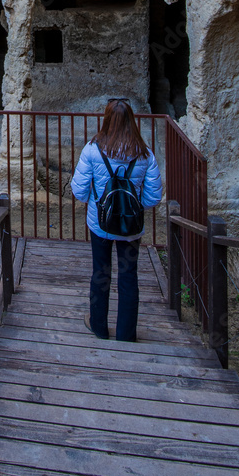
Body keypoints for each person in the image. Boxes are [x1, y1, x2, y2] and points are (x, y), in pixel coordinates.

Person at [71, 98, 163, 343]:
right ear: (132, 122)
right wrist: (130, 206)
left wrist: (99, 198)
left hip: (100, 223)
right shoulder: (145, 155)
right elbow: (153, 198)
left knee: (100, 272)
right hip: (131, 228)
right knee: (128, 276)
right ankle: (125, 334)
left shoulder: (93, 149)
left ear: (107, 120)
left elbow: (79, 191)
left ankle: (99, 326)